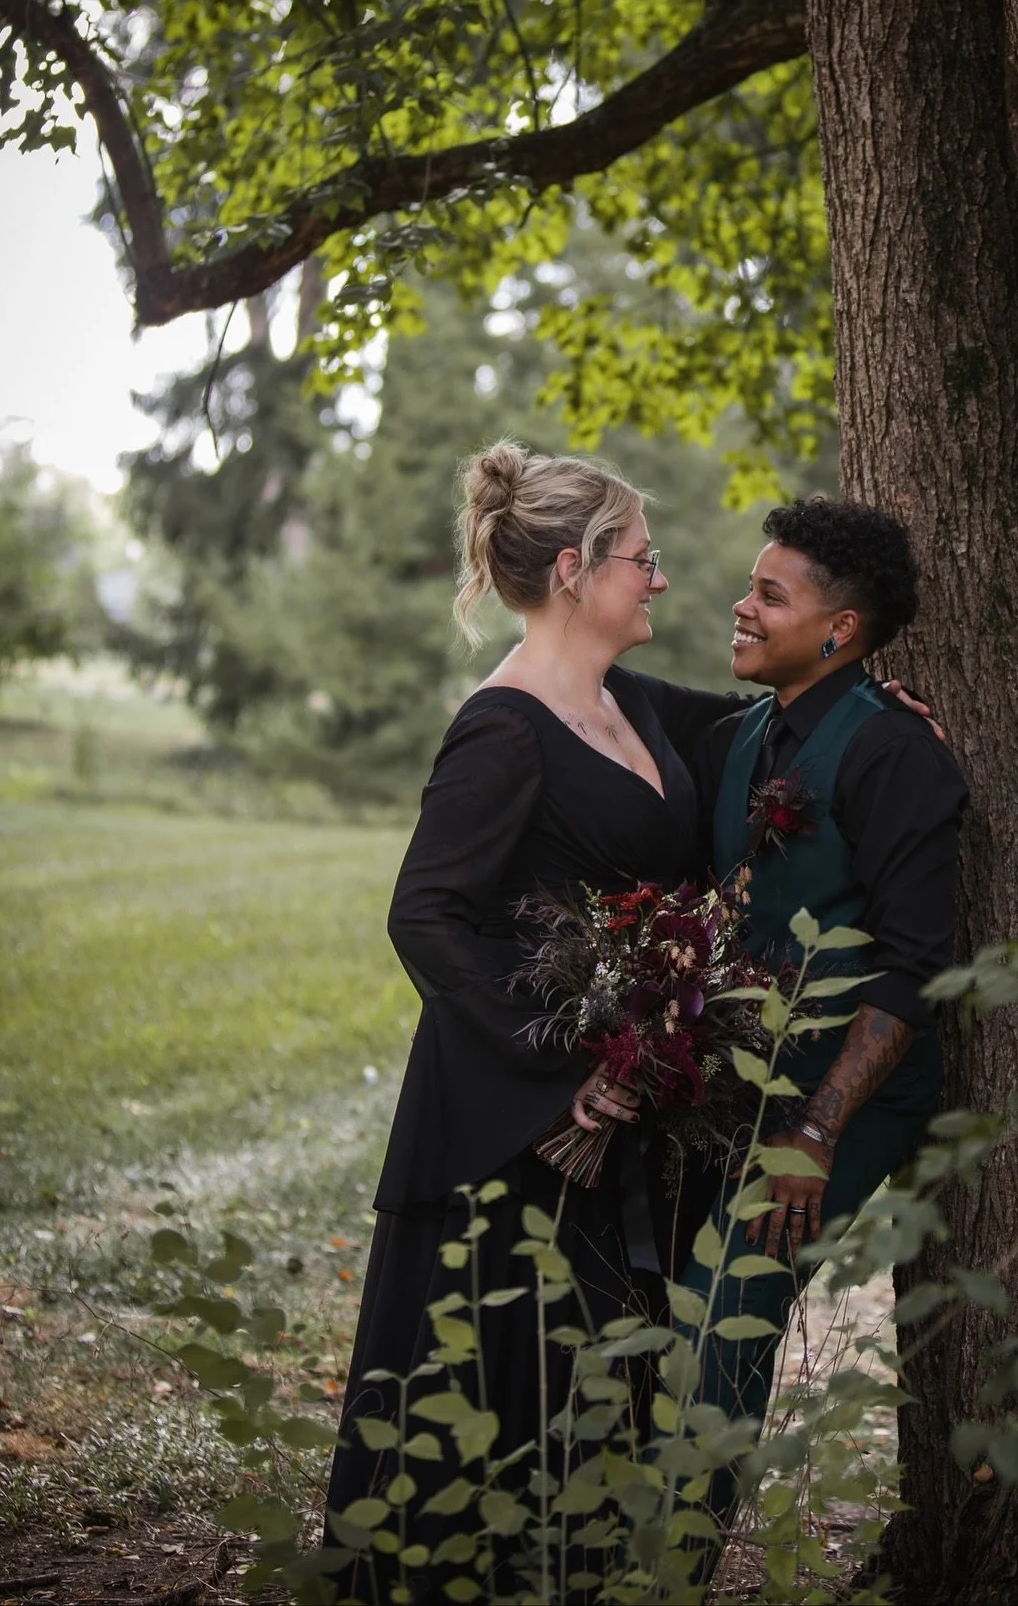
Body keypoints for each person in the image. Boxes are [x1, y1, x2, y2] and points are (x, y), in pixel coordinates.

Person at [324, 439, 709, 1602]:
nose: (660, 577)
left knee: (594, 1421)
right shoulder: (501, 725)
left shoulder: (634, 703)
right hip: (511, 1132)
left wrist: (867, 693)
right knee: (491, 1414)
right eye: (643, 558)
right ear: (575, 571)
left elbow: (770, 729)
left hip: (610, 1120)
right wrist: (561, 1073)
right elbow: (425, 915)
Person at [678, 496, 968, 1518]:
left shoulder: (898, 752)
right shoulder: (740, 734)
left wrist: (816, 1126)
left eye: (769, 593)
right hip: (748, 1088)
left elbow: (914, 966)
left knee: (725, 1322)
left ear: (839, 628)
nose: (741, 606)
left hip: (848, 1092)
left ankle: (668, 1573)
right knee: (674, 1318)